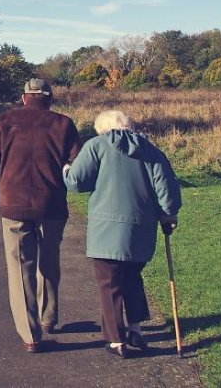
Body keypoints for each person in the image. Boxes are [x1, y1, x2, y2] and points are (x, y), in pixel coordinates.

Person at [63, 110, 181, 358]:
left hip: (106, 231)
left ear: (102, 129)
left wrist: (65, 169)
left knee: (109, 284)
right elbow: (167, 190)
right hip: (141, 230)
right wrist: (169, 215)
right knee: (132, 278)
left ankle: (116, 340)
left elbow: (76, 182)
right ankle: (136, 329)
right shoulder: (151, 150)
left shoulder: (96, 146)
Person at [0, 78, 81, 353]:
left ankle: (30, 335)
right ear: (49, 98)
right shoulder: (64, 124)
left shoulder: (6, 121)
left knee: (20, 268)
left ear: (24, 98)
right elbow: (76, 163)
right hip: (52, 205)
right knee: (49, 262)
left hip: (14, 205)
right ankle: (48, 318)